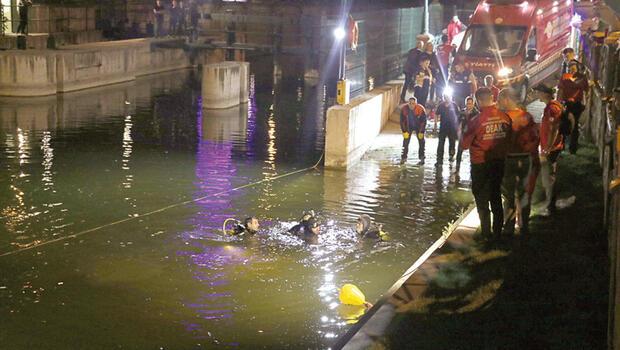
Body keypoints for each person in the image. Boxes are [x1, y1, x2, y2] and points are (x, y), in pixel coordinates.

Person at [461, 88, 512, 238]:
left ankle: (486, 233)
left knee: (482, 200)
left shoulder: (476, 121)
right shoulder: (505, 117)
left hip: (480, 163)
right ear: (492, 97)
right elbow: (509, 140)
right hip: (499, 162)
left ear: (478, 101)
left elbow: (464, 145)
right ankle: (497, 233)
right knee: (495, 196)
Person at [497, 88, 540, 236]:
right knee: (523, 193)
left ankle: (508, 227)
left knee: (508, 195)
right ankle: (524, 226)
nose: (498, 103)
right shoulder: (527, 116)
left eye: (499, 100)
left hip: (509, 159)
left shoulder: (504, 117)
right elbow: (536, 138)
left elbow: (498, 141)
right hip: (526, 159)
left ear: (507, 99)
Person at [534, 84, 567, 216]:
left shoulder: (552, 109)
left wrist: (547, 148)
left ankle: (550, 207)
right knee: (549, 177)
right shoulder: (553, 106)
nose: (537, 95)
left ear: (545, 94)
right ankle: (550, 204)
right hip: (553, 147)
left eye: (538, 92)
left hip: (552, 149)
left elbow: (554, 129)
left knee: (548, 178)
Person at [558, 61, 588, 154]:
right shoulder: (564, 77)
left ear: (577, 67)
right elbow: (561, 90)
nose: (572, 68)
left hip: (577, 105)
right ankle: (561, 146)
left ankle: (573, 148)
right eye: (570, 67)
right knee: (563, 124)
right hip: (566, 104)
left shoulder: (582, 78)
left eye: (574, 67)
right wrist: (559, 103)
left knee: (575, 126)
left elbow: (586, 91)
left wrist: (585, 102)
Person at [400, 97, 427, 165]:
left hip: (418, 126)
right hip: (408, 127)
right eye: (410, 103)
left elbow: (423, 121)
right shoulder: (404, 109)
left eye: (413, 103)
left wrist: (421, 131)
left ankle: (422, 157)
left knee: (421, 142)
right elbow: (402, 121)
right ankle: (404, 157)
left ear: (416, 104)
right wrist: (404, 131)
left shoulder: (420, 109)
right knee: (406, 142)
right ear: (408, 103)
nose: (411, 105)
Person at [456, 96, 479, 172]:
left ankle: (473, 167)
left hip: (473, 135)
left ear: (473, 104)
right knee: (459, 151)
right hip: (463, 135)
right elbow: (458, 123)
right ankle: (457, 167)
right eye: (467, 104)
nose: (469, 105)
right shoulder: (462, 112)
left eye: (470, 104)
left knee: (473, 152)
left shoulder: (477, 113)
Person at [435, 92, 460, 165]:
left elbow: (458, 115)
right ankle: (439, 159)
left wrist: (458, 126)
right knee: (440, 143)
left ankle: (451, 155)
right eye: (445, 97)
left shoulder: (454, 105)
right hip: (443, 127)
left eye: (448, 97)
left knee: (452, 142)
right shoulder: (441, 105)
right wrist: (435, 124)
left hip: (452, 127)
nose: (447, 98)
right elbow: (436, 114)